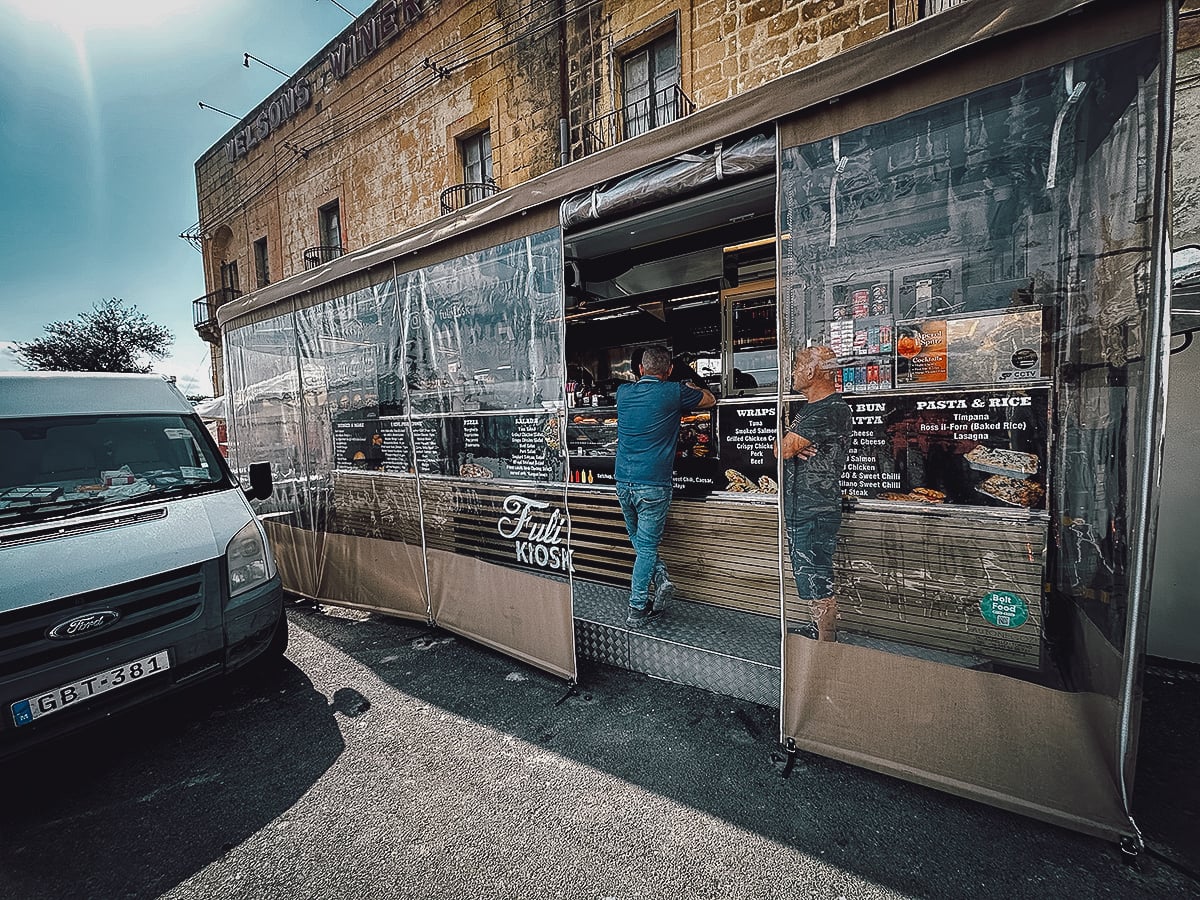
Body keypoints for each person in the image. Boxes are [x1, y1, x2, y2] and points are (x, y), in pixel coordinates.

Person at [615, 345, 716, 627]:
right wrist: (689, 384)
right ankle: (636, 609)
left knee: (638, 540)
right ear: (669, 370)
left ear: (640, 369)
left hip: (622, 481)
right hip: (653, 484)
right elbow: (710, 399)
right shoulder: (673, 392)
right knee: (645, 546)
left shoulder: (622, 393)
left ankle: (660, 577)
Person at [776, 345, 852, 642]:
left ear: (810, 371)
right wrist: (790, 445)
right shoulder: (810, 409)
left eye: (796, 366)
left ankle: (826, 646)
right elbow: (784, 447)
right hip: (802, 506)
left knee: (818, 578)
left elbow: (782, 449)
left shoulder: (830, 409)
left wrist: (789, 445)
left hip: (815, 509)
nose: (792, 373)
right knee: (808, 574)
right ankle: (818, 630)